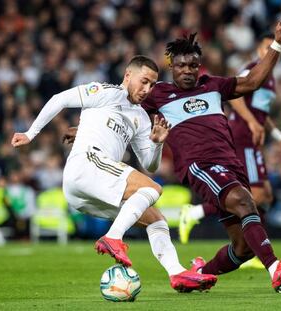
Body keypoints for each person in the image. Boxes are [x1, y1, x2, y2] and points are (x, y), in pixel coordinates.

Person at [11, 55, 217, 292]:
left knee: (155, 218)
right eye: (144, 81)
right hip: (87, 163)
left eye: (152, 84)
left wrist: (158, 143)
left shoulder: (140, 117)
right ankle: (113, 238)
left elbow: (150, 165)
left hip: (87, 191)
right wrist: (30, 133)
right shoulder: (106, 92)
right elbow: (60, 99)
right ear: (128, 75)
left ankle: (177, 273)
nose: (147, 89)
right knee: (153, 189)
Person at [142, 20, 281, 293]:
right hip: (199, 165)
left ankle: (199, 274)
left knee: (243, 248)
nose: (188, 71)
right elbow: (124, 104)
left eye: (193, 65)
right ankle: (275, 268)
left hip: (230, 163)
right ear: (171, 67)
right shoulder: (158, 94)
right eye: (181, 66)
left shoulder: (212, 84)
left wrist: (276, 45)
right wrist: (87, 130)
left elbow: (252, 81)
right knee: (244, 201)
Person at [178, 33, 281, 271]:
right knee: (257, 195)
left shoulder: (271, 80)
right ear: (259, 49)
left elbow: (263, 116)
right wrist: (252, 122)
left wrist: (280, 138)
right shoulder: (252, 69)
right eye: (265, 47)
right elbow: (237, 99)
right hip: (241, 137)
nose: (268, 52)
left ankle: (250, 248)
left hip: (253, 140)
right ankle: (198, 212)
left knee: (265, 196)